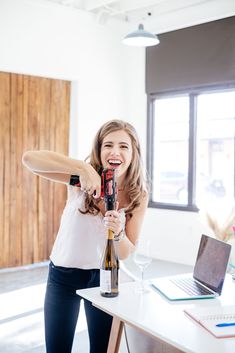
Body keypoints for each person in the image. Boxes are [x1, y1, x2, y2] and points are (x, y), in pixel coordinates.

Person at [22, 119, 148, 353]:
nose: (115, 151)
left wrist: (118, 231)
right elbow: (30, 159)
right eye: (108, 145)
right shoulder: (81, 180)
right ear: (99, 150)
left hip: (105, 279)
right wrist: (83, 168)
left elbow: (126, 253)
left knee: (103, 349)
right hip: (62, 278)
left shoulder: (137, 195)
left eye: (123, 146)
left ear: (134, 152)